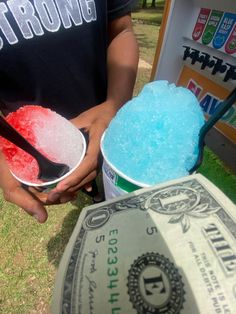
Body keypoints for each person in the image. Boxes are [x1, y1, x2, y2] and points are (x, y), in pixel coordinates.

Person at [0, 0, 139, 223]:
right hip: (35, 144)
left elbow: (121, 30)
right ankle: (94, 194)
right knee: (82, 180)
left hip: (107, 118)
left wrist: (115, 104)